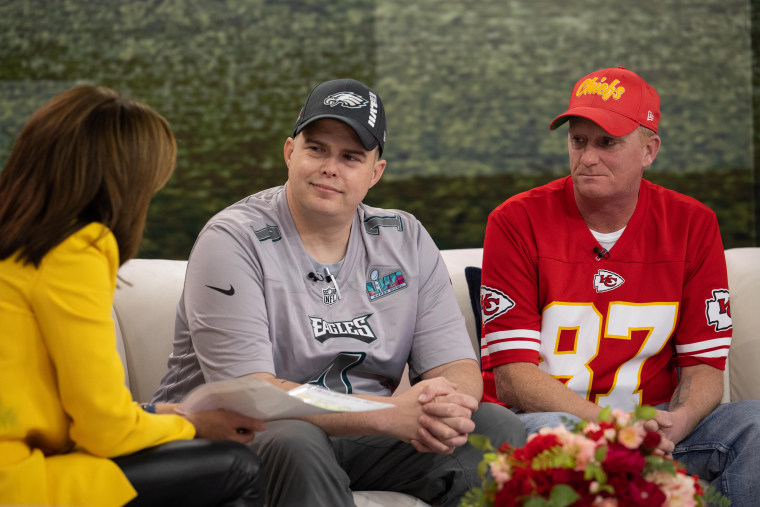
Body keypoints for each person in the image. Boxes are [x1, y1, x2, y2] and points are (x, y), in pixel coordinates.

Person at [153, 78, 526, 506]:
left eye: (350, 157)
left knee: (495, 428)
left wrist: (446, 403)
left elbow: (455, 364)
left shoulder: (405, 237)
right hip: (236, 437)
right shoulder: (233, 238)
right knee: (293, 437)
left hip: (359, 436)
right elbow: (251, 396)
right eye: (317, 149)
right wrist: (388, 415)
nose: (331, 167)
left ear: (375, 173)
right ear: (290, 152)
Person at [479, 66, 760, 504]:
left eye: (607, 142)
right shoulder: (516, 221)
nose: (588, 157)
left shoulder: (693, 223)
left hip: (653, 423)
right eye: (578, 141)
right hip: (547, 424)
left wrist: (678, 423)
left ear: (649, 150)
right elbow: (514, 379)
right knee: (570, 439)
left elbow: (704, 365)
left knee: (756, 425)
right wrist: (614, 428)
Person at [0, 85, 267, 507]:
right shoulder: (75, 250)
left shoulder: (18, 246)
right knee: (237, 467)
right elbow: (105, 431)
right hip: (17, 483)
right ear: (123, 183)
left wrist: (171, 414)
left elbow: (78, 404)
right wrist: (193, 426)